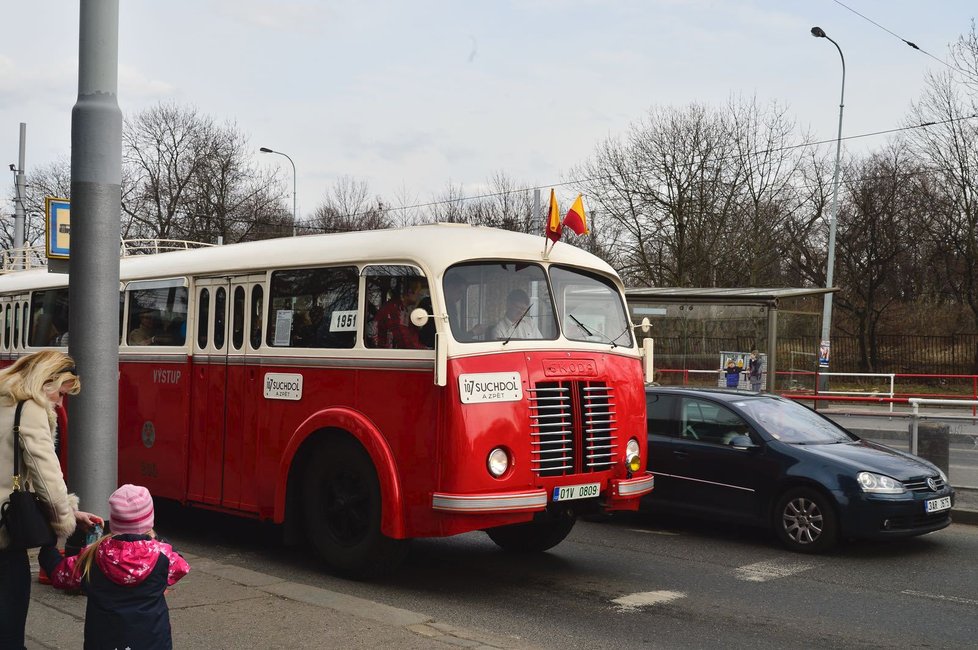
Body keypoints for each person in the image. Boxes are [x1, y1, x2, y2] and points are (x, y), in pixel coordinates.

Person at [0, 351, 101, 648]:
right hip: (3, 535)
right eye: (60, 393)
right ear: (47, 380)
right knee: (9, 629)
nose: (59, 402)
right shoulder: (28, 408)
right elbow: (47, 476)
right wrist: (66, 519)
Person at [39, 484, 190, 650]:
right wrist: (159, 540)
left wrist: (48, 548)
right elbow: (181, 566)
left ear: (114, 521)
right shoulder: (163, 555)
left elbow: (58, 574)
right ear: (150, 522)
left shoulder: (92, 556)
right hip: (153, 642)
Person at [374, 278, 429, 349]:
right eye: (419, 293)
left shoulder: (403, 309)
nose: (419, 296)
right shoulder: (394, 309)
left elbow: (412, 334)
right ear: (410, 292)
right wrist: (421, 349)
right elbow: (402, 337)